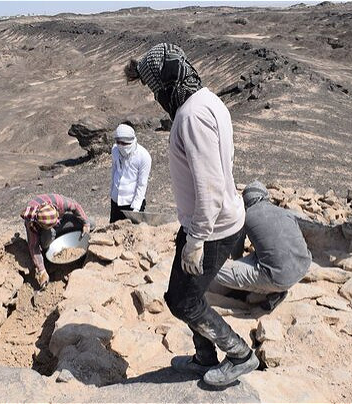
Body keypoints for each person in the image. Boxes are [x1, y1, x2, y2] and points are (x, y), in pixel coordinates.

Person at [124, 43, 258, 387]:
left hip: (211, 228)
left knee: (183, 302)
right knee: (181, 295)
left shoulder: (190, 116)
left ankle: (241, 355)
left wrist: (195, 239)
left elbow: (209, 185)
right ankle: (203, 356)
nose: (156, 99)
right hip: (210, 221)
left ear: (166, 84)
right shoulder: (208, 99)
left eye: (155, 90)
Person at [215, 181, 312, 312]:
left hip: (278, 278)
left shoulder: (245, 216)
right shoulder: (285, 212)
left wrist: (237, 266)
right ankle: (275, 287)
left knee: (214, 271)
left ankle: (274, 291)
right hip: (303, 266)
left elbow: (236, 252)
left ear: (246, 201)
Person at [21, 193, 92, 289]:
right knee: (49, 235)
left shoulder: (59, 202)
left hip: (61, 221)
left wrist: (86, 224)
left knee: (92, 223)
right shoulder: (31, 223)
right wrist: (42, 271)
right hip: (46, 233)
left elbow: (75, 206)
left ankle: (62, 232)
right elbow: (33, 247)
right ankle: (47, 251)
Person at [109, 124, 152, 223]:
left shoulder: (143, 156)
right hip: (116, 201)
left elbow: (142, 184)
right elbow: (114, 171)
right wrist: (112, 193)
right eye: (118, 142)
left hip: (132, 203)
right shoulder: (115, 150)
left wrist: (136, 209)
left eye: (124, 143)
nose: (121, 145)